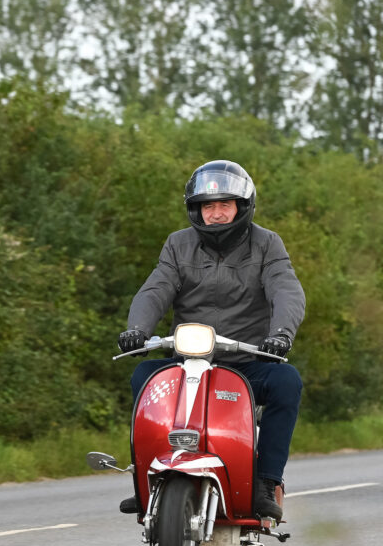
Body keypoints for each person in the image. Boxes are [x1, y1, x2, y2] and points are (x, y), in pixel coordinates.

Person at [117, 160, 305, 521]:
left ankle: (265, 482)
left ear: (242, 207)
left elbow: (286, 290)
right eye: (208, 206)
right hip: (188, 362)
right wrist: (137, 329)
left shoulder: (267, 244)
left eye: (224, 205)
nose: (216, 214)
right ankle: (145, 479)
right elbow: (155, 289)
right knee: (144, 375)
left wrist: (280, 335)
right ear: (196, 210)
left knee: (287, 382)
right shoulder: (178, 244)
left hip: (248, 362)